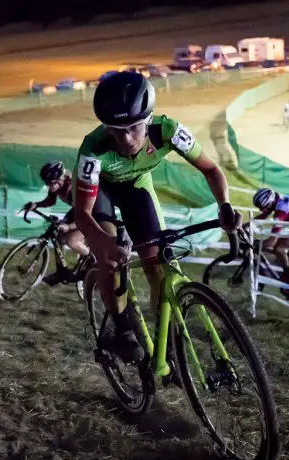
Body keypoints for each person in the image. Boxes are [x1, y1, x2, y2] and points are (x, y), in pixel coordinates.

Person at [72, 71, 241, 364]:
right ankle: (122, 330)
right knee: (109, 258)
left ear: (148, 119)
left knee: (159, 269)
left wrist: (224, 206)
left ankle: (167, 346)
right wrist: (104, 242)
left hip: (137, 188)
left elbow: (211, 170)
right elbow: (82, 213)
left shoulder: (169, 131)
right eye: (115, 130)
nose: (125, 138)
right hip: (104, 193)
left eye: (133, 127)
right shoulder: (93, 150)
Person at [23, 160, 94, 286]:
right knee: (57, 234)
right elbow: (51, 200)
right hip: (77, 210)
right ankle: (61, 271)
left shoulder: (73, 187)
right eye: (46, 183)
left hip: (91, 213)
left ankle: (95, 260)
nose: (48, 187)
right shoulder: (56, 183)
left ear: (60, 179)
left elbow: (85, 214)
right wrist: (36, 205)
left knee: (72, 240)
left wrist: (69, 226)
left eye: (50, 183)